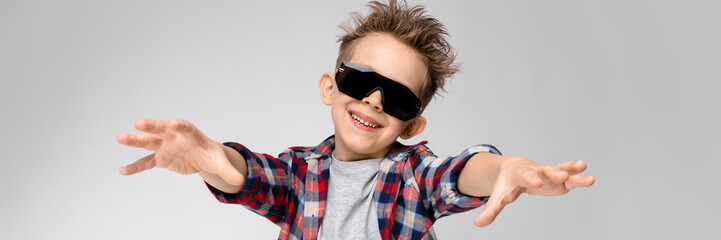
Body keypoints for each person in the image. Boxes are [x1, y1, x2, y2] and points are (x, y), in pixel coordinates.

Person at [117, 1, 595, 239]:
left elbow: (456, 174)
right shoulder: (301, 174)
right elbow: (253, 176)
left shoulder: (412, 178)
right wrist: (212, 159)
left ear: (412, 126)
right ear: (330, 86)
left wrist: (504, 168)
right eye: (362, 79)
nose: (374, 100)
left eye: (400, 98)